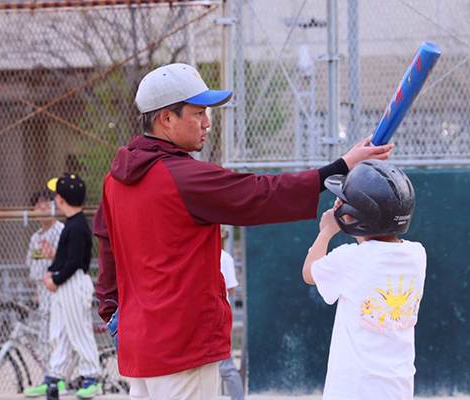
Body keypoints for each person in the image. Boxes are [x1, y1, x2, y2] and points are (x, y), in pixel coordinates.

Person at [92, 63, 394, 400]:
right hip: (183, 346)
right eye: (198, 112)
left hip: (140, 347)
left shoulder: (114, 180)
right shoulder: (183, 177)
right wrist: (340, 167)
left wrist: (110, 311)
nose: (207, 123)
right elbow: (262, 194)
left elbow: (106, 247)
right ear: (166, 119)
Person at [301, 160, 427, 400]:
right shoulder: (418, 254)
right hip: (398, 389)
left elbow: (309, 272)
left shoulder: (350, 259)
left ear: (359, 216)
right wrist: (350, 213)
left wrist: (327, 230)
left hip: (353, 389)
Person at [42, 173, 102, 399]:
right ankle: (54, 377)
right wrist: (52, 273)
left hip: (74, 282)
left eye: (57, 194)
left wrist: (55, 279)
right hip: (66, 281)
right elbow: (64, 258)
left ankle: (92, 377)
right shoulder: (72, 225)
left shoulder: (77, 226)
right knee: (60, 331)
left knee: (79, 330)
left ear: (61, 199)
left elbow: (75, 262)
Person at [23, 191, 67, 397]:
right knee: (43, 338)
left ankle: (61, 380)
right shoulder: (35, 238)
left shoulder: (62, 231)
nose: (42, 210)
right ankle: (47, 377)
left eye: (46, 205)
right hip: (43, 295)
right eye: (37, 206)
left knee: (59, 338)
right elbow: (35, 268)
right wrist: (36, 293)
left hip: (60, 293)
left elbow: (69, 260)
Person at [218, 229, 244, 400]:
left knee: (224, 365)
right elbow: (231, 289)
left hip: (218, 317)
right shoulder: (225, 257)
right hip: (219, 314)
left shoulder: (224, 257)